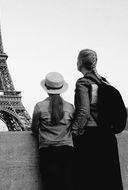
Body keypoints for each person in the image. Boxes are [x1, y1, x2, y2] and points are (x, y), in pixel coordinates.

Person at [71, 48, 124, 190]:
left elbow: (83, 112)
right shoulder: (105, 83)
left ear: (81, 62)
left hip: (91, 137)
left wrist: (74, 132)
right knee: (107, 178)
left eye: (77, 59)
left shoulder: (83, 83)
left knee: (89, 179)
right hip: (107, 137)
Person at [31, 72, 75, 190]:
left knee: (50, 185)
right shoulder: (70, 107)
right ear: (61, 88)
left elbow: (34, 129)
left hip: (48, 151)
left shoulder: (39, 106)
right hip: (67, 150)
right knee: (67, 184)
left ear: (46, 88)